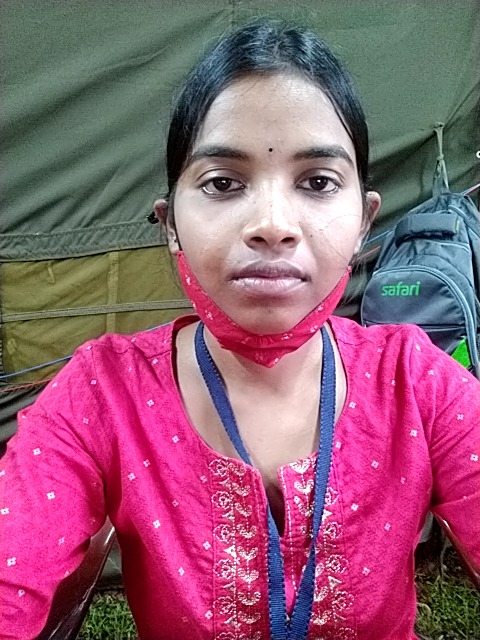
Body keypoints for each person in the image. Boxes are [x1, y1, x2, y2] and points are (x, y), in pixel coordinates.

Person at [1, 19, 479, 640]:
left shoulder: (417, 383)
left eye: (318, 182)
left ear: (364, 220)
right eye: (223, 183)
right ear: (170, 225)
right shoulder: (102, 393)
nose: (273, 224)